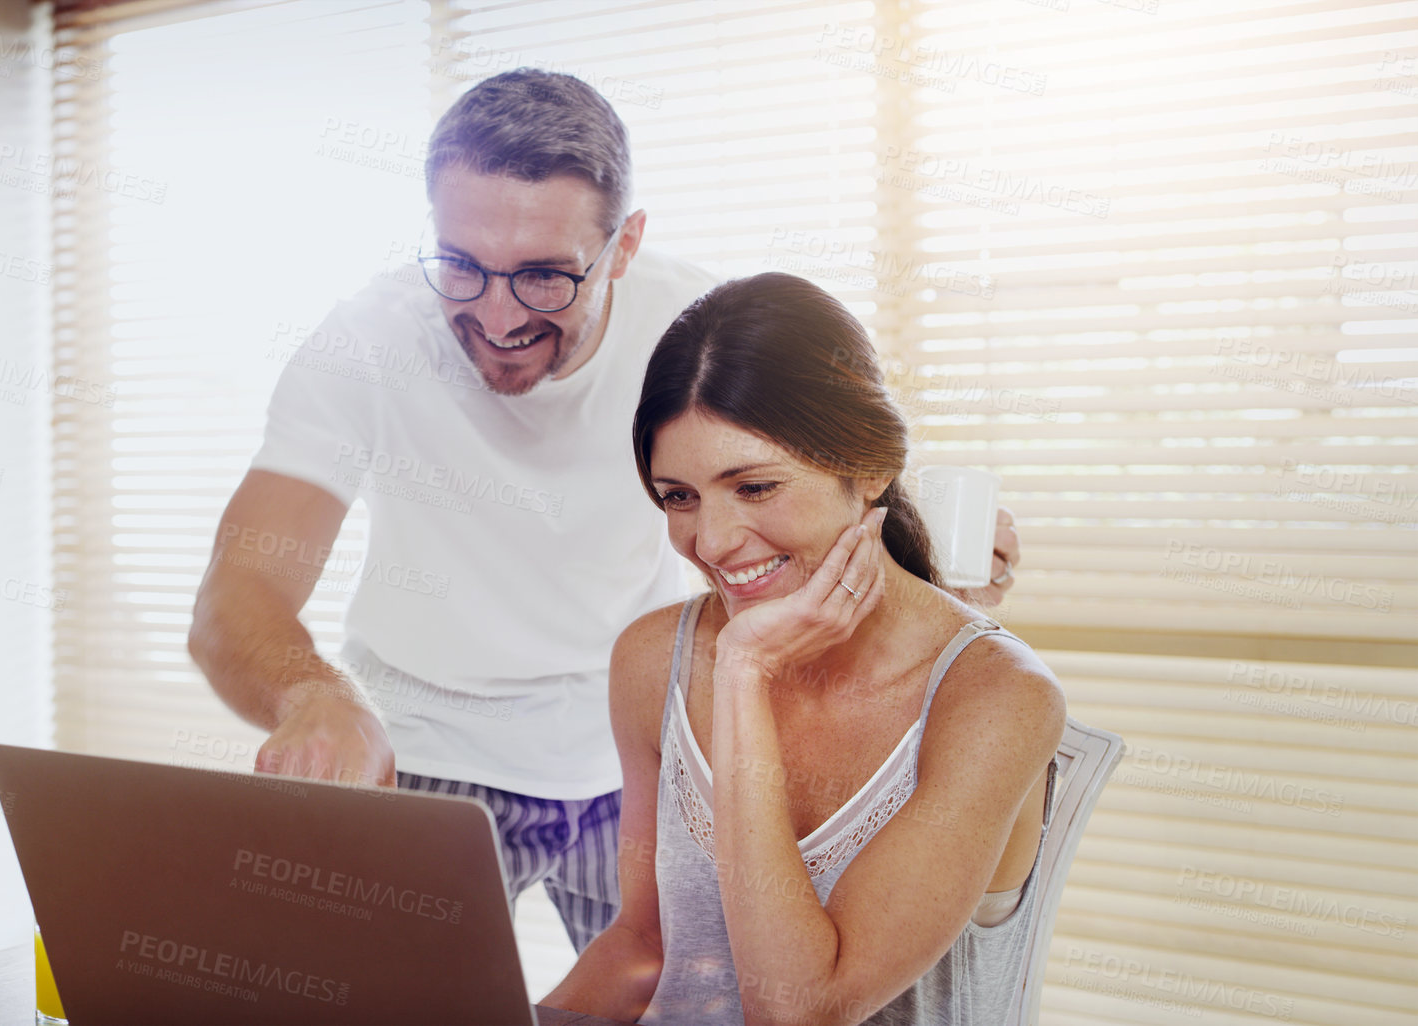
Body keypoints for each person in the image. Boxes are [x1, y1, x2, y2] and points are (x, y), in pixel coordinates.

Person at [188, 69, 1022, 954]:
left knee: (684, 1003)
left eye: (543, 276)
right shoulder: (367, 342)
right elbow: (233, 595)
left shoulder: (691, 329)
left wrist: (929, 559)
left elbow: (817, 478)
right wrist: (313, 696)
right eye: (461, 265)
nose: (496, 315)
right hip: (425, 750)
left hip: (639, 755)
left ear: (623, 245)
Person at [541, 272, 1065, 1024]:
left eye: (753, 487)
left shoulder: (995, 700)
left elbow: (802, 1011)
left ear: (870, 467)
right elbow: (644, 944)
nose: (711, 541)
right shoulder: (652, 658)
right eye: (678, 496)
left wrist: (744, 670)